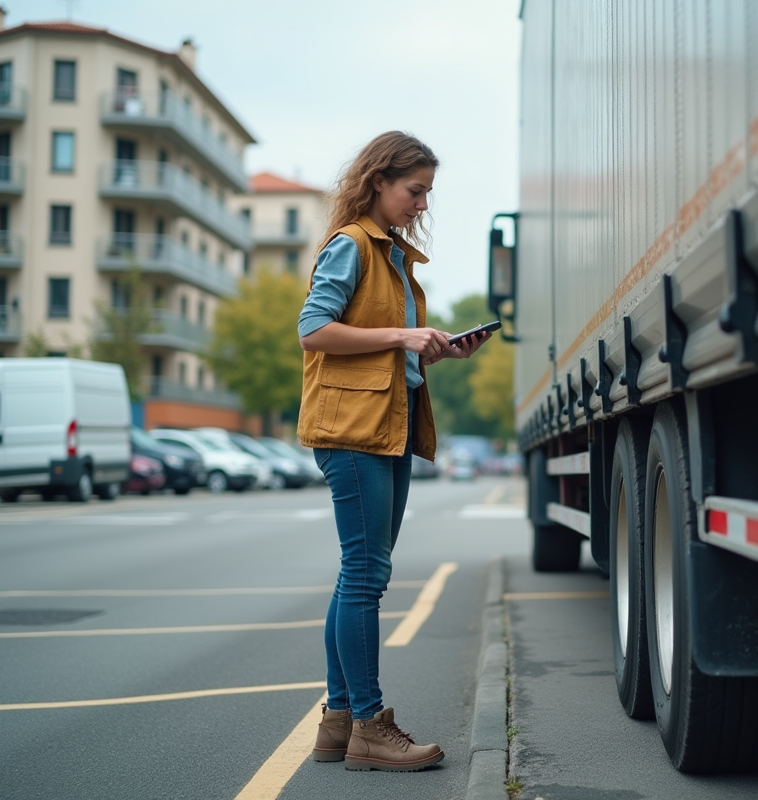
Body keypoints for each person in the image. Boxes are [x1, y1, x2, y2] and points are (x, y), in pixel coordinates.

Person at [296, 131, 489, 772]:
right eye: (416, 190)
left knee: (359, 573)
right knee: (365, 577)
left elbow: (387, 347)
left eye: (428, 192)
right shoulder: (352, 245)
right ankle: (370, 726)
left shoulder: (393, 257)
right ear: (378, 181)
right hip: (353, 431)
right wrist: (403, 333)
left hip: (388, 426)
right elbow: (315, 330)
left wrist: (436, 347)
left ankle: (339, 721)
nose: (423, 204)